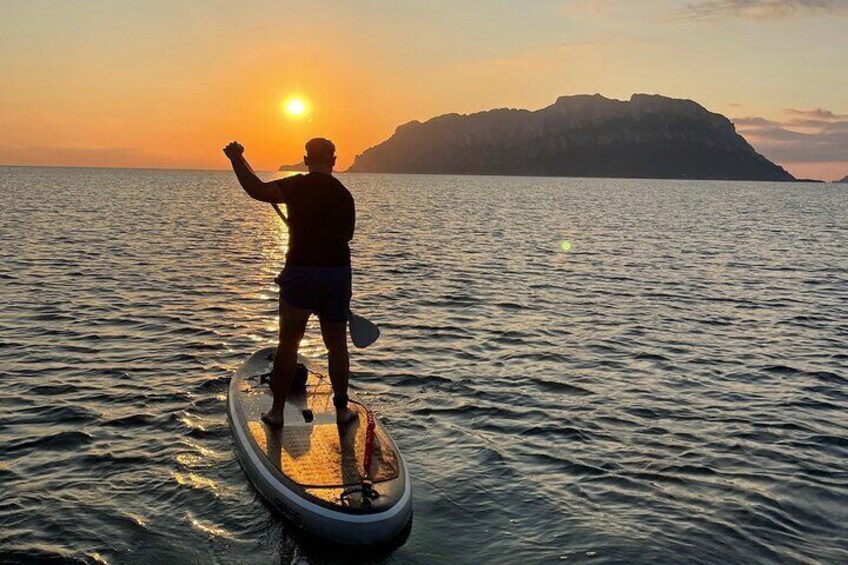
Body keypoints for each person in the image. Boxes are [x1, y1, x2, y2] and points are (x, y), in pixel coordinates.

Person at [223, 138, 356, 427]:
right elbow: (347, 236)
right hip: (337, 274)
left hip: (301, 273)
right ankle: (342, 410)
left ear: (306, 159)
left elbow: (257, 190)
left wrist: (236, 159)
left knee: (288, 344)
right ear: (334, 160)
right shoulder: (344, 195)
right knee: (337, 346)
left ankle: (278, 412)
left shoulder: (297, 185)